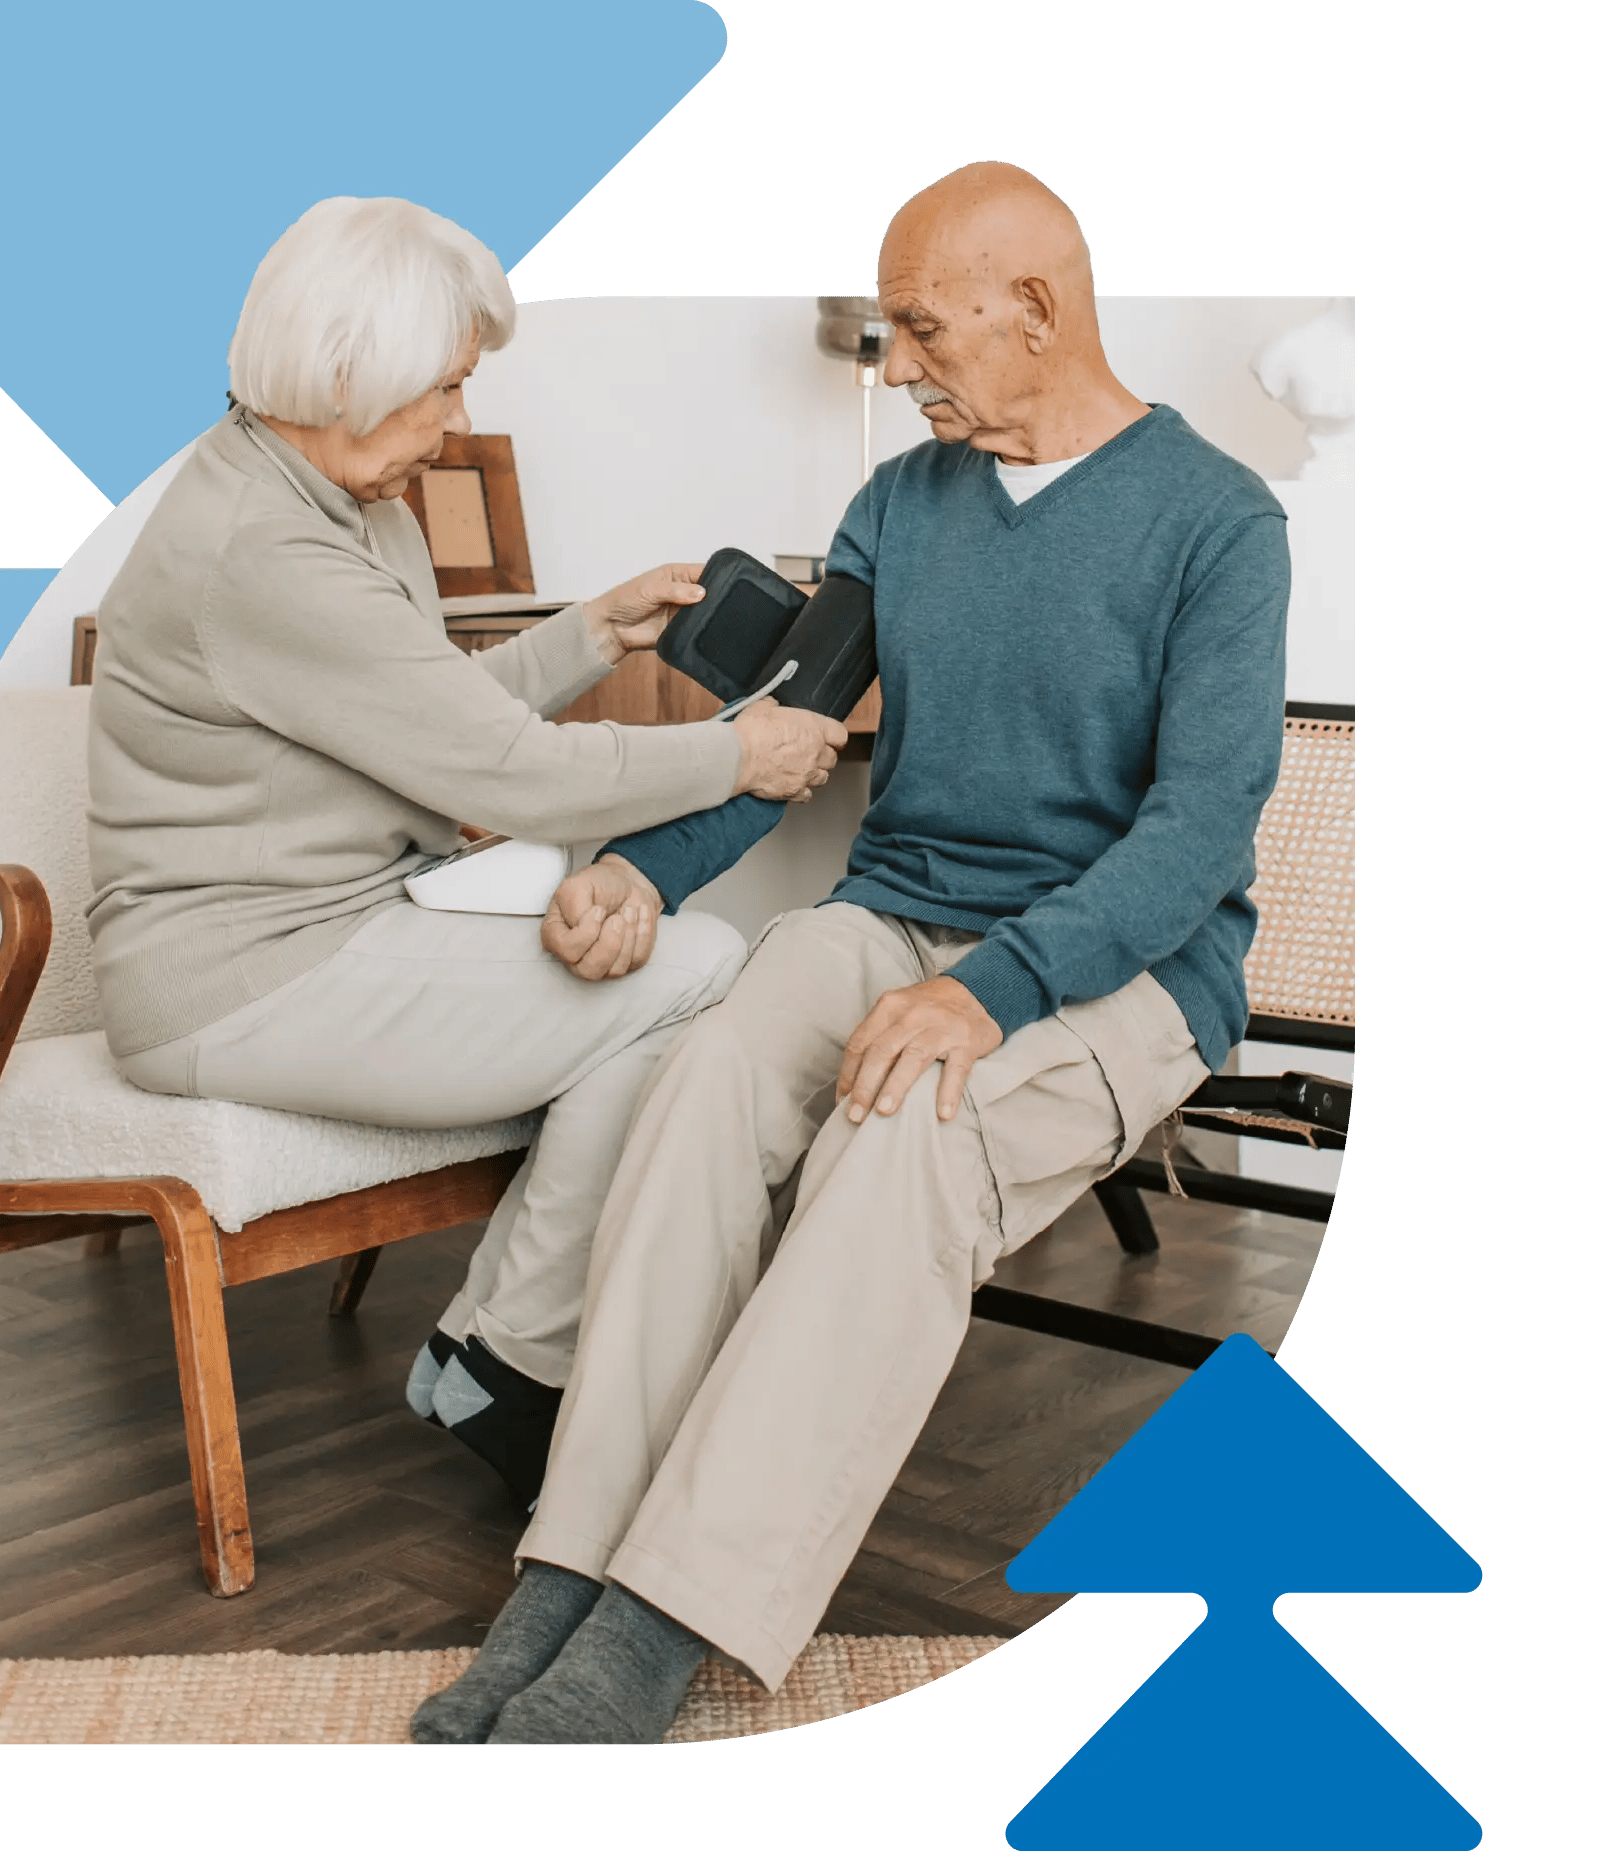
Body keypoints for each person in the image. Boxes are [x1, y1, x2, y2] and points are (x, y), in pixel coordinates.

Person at [414, 161, 1292, 1745]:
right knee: (703, 1082)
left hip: (1121, 967)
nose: (894, 367)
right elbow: (793, 731)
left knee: (906, 1141)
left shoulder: (1220, 522)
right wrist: (648, 873)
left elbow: (1202, 835)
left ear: (1038, 309)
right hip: (899, 910)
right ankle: (565, 1573)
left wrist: (987, 990)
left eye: (918, 330)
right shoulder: (897, 500)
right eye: (886, 335)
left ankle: (661, 1624)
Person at [86, 196, 847, 1503]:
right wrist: (744, 754)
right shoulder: (255, 547)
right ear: (346, 376)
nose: (454, 426)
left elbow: (434, 716)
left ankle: (498, 1358)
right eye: (442, 390)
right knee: (696, 969)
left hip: (338, 926)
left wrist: (591, 632)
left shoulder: (338, 498)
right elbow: (509, 775)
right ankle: (510, 1359)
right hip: (236, 979)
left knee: (659, 971)